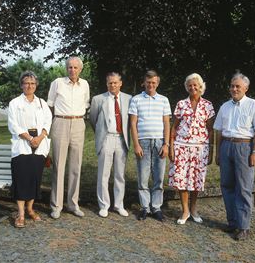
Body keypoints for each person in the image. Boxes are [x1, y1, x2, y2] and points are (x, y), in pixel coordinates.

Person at [214, 72, 255, 241]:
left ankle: (244, 227)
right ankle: (233, 222)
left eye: (237, 86)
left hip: (244, 147)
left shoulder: (253, 105)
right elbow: (219, 131)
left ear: (246, 88)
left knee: (243, 188)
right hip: (226, 146)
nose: (234, 89)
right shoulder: (224, 106)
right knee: (227, 185)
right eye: (232, 86)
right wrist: (218, 153)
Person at [168, 73, 215, 225]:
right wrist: (171, 147)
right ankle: (185, 210)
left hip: (200, 148)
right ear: (186, 87)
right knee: (182, 180)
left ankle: (193, 209)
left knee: (196, 181)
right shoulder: (181, 104)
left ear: (201, 87)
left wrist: (211, 152)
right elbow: (174, 128)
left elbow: (210, 130)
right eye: (190, 85)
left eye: (195, 85)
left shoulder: (207, 105)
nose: (192, 87)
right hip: (182, 146)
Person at [8, 71, 52, 228]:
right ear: (21, 85)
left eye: (32, 83)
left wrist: (39, 138)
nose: (29, 86)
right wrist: (30, 139)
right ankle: (20, 214)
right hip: (22, 145)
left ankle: (30, 209)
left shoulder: (41, 103)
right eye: (26, 83)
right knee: (21, 180)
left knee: (35, 179)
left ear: (36, 85)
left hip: (39, 145)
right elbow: (14, 125)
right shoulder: (15, 103)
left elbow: (48, 121)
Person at [47, 56, 90, 219]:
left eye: (75, 67)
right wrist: (54, 123)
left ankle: (73, 204)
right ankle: (56, 205)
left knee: (75, 165)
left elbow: (86, 104)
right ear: (66, 68)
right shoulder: (57, 83)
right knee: (58, 165)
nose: (72, 70)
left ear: (80, 69)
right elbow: (50, 105)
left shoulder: (85, 84)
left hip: (78, 123)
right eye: (70, 67)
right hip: (61, 122)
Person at [129, 70, 171, 221]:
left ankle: (157, 207)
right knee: (143, 177)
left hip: (159, 141)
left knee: (159, 177)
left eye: (153, 83)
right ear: (144, 83)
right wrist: (136, 144)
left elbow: (167, 123)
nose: (151, 85)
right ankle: (145, 207)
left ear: (157, 83)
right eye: (148, 83)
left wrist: (166, 144)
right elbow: (133, 123)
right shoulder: (136, 99)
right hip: (143, 142)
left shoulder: (164, 100)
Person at [89, 72, 132, 218]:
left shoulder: (128, 99)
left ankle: (119, 205)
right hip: (106, 138)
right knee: (103, 174)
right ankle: (104, 205)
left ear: (120, 83)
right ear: (106, 84)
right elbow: (93, 119)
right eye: (109, 83)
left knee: (120, 174)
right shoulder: (98, 99)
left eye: (115, 82)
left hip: (121, 138)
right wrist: (102, 133)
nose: (112, 85)